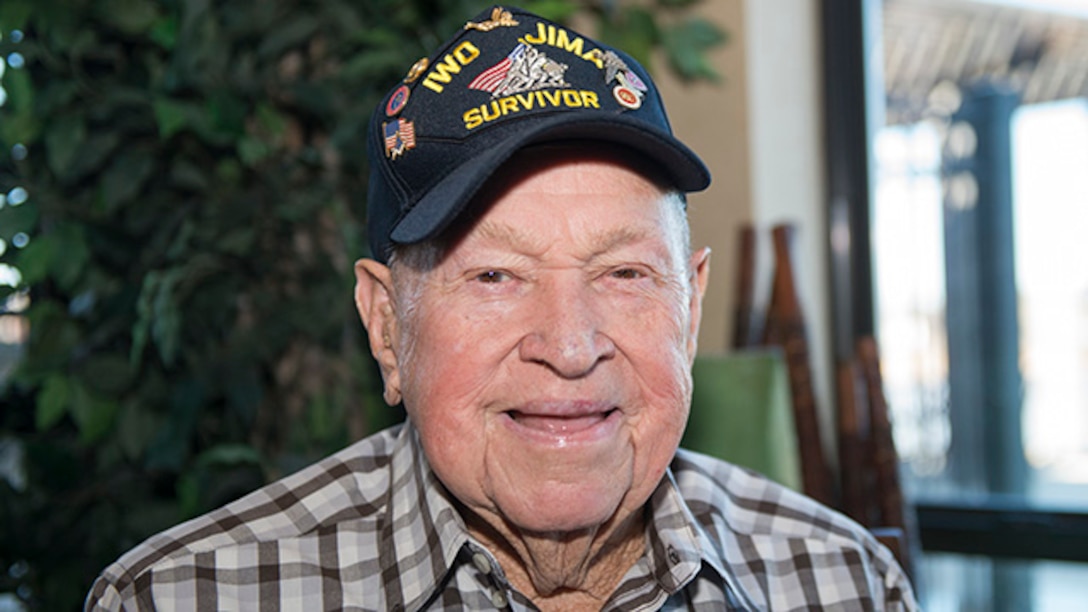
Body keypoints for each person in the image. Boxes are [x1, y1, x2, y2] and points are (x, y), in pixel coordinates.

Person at [86, 5, 916, 610]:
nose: (569, 344)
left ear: (691, 310)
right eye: (494, 277)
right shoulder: (186, 597)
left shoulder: (843, 583)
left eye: (625, 273)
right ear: (385, 327)